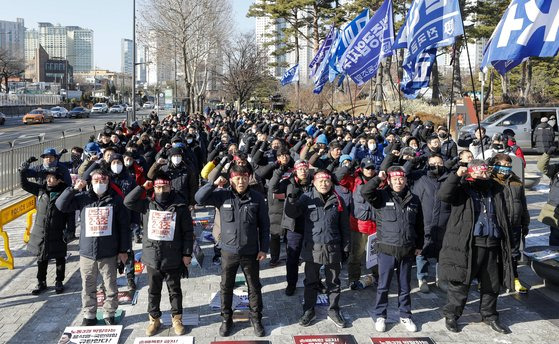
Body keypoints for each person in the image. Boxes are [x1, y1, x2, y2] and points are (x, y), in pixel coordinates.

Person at [437, 160, 514, 334]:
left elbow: (503, 216)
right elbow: (443, 195)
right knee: (461, 283)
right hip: (469, 245)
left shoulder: (495, 189)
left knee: (492, 284)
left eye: (485, 172)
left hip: (493, 243)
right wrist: (456, 175)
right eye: (479, 173)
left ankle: (490, 315)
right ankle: (452, 315)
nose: (483, 176)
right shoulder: (462, 189)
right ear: (471, 173)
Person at [195, 164, 270, 337]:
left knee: (254, 287)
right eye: (237, 178)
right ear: (231, 179)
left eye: (244, 177)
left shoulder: (257, 198)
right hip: (228, 252)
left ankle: (256, 318)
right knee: (226, 286)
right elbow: (199, 199)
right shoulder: (222, 196)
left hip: (251, 251)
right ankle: (226, 319)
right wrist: (213, 184)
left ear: (249, 178)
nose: (241, 181)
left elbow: (265, 226)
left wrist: (263, 248)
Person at [56, 169, 130, 326]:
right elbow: (61, 205)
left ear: (108, 182)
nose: (99, 184)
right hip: (87, 253)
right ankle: (89, 314)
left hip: (109, 252)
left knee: (110, 286)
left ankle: (109, 313)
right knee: (88, 286)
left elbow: (124, 227)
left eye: (103, 181)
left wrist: (123, 250)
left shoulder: (115, 200)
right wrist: (74, 188)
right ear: (90, 182)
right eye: (96, 181)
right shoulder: (83, 198)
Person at [124, 174, 194, 336]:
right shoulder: (147, 205)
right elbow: (128, 202)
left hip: (173, 256)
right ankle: (154, 318)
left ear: (170, 187)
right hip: (152, 256)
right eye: (158, 187)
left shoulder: (180, 206)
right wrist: (142, 187)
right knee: (153, 291)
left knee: (174, 290)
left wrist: (187, 253)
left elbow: (188, 232)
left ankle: (177, 318)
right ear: (154, 188)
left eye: (165, 187)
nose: (162, 190)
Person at [284, 169, 350, 329]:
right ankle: (309, 310)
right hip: (312, 248)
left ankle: (333, 310)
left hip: (333, 247)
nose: (324, 183)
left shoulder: (338, 200)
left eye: (326, 180)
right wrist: (292, 199)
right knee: (311, 282)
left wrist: (346, 248)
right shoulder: (306, 198)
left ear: (331, 182)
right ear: (313, 182)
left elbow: (344, 227)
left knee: (333, 282)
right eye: (320, 180)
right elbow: (292, 213)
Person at [361, 166, 424, 333]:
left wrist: (419, 245)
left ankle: (405, 315)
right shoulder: (381, 196)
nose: (399, 181)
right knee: (383, 285)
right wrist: (378, 179)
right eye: (395, 178)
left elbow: (419, 224)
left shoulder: (414, 199)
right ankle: (380, 315)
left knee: (405, 286)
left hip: (407, 249)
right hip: (387, 250)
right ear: (388, 180)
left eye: (401, 178)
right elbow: (365, 192)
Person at [20, 165, 70, 295]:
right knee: (41, 257)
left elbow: (70, 213)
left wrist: (69, 230)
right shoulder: (41, 190)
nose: (49, 180)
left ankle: (59, 281)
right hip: (41, 231)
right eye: (47, 177)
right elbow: (24, 185)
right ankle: (41, 282)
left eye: (52, 177)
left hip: (58, 230)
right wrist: (23, 172)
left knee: (59, 256)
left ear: (59, 179)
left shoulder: (65, 192)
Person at [410, 154, 451, 293]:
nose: (437, 166)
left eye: (440, 163)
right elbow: (406, 172)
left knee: (443, 253)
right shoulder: (421, 177)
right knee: (422, 251)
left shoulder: (449, 178)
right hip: (424, 221)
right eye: (433, 163)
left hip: (444, 222)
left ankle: (442, 279)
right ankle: (422, 279)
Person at [491, 153, 529, 294]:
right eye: (503, 165)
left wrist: (525, 222)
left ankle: (514, 278)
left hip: (515, 223)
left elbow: (523, 204)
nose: (506, 168)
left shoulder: (516, 181)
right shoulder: (491, 181)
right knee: (494, 253)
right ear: (495, 165)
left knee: (513, 253)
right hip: (498, 224)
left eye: (509, 165)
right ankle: (490, 280)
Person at [347, 157, 378, 290]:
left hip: (376, 225)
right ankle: (353, 279)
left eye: (372, 168)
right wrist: (350, 165)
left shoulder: (380, 181)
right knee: (356, 254)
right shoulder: (354, 180)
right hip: (359, 225)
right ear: (361, 168)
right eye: (367, 168)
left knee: (376, 254)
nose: (370, 170)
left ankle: (377, 277)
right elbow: (339, 177)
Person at [537, 146, 559, 245]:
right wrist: (547, 154)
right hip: (555, 210)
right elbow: (542, 167)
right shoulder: (556, 169)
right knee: (555, 238)